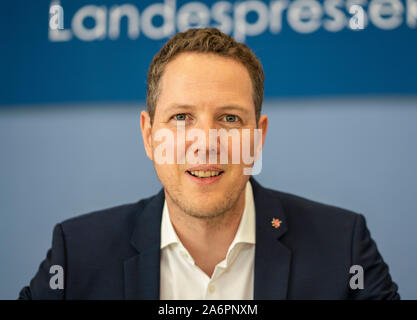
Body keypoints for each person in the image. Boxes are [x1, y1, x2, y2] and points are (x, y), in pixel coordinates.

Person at [19, 28, 399, 300]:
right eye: (182, 117)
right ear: (149, 135)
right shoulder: (78, 254)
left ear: (258, 136)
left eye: (230, 119)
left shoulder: (342, 247)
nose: (206, 143)